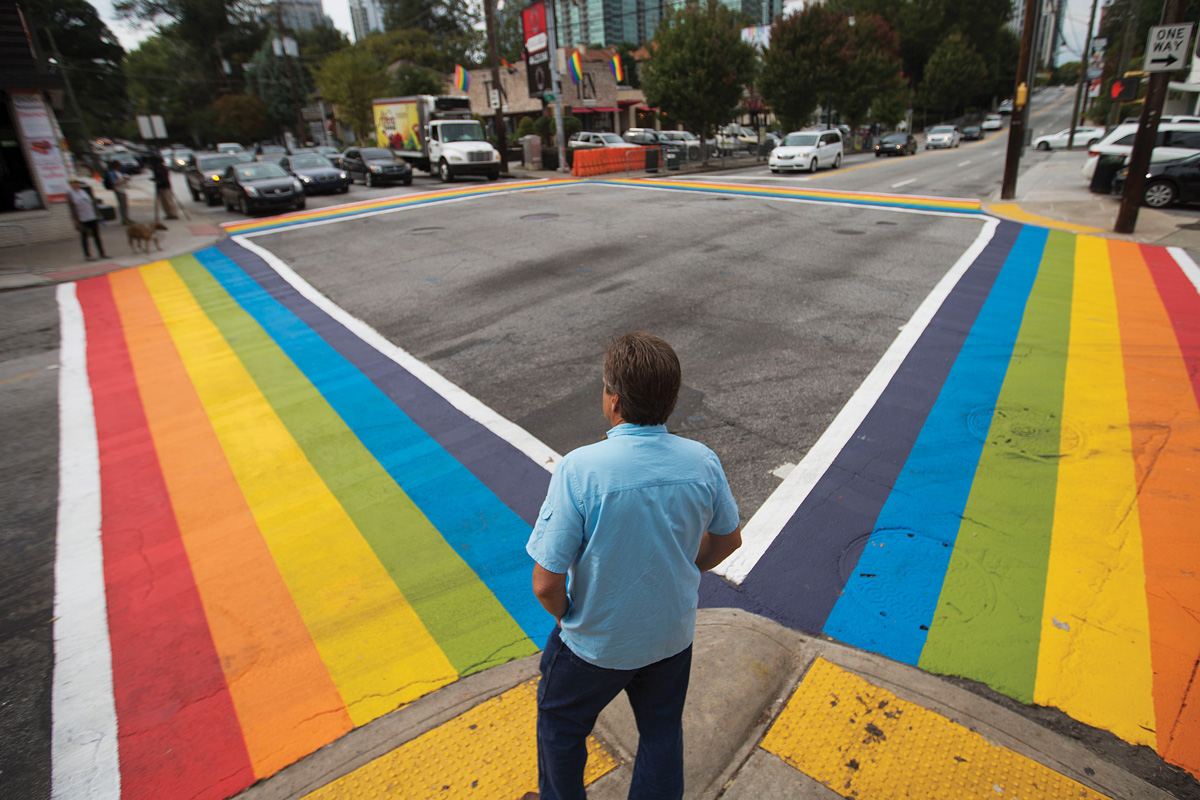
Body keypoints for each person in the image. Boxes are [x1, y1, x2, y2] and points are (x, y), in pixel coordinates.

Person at [526, 331, 742, 800]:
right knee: (662, 732)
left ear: (614, 399)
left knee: (560, 725)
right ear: (671, 399)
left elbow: (546, 583)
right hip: (670, 634)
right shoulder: (702, 461)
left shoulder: (581, 469)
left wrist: (570, 615)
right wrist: (686, 570)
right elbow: (729, 538)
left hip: (596, 643)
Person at [67, 178, 108, 261]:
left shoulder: (85, 191)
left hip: (92, 216)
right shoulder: (70, 194)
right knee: (84, 237)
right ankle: (88, 255)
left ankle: (102, 253)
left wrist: (98, 214)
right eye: (72, 183)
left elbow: (93, 203)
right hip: (82, 218)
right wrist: (74, 220)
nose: (74, 185)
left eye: (75, 183)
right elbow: (71, 208)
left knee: (97, 236)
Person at [151, 152, 179, 220]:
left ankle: (173, 214)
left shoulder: (161, 168)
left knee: (168, 201)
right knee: (164, 201)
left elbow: (164, 178)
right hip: (161, 186)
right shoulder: (157, 168)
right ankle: (169, 214)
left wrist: (158, 180)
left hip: (165, 186)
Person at [106, 160, 130, 224]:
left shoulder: (117, 172)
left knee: (124, 205)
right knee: (122, 205)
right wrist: (123, 180)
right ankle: (124, 219)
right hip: (118, 190)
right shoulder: (112, 173)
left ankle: (126, 217)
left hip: (122, 189)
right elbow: (114, 183)